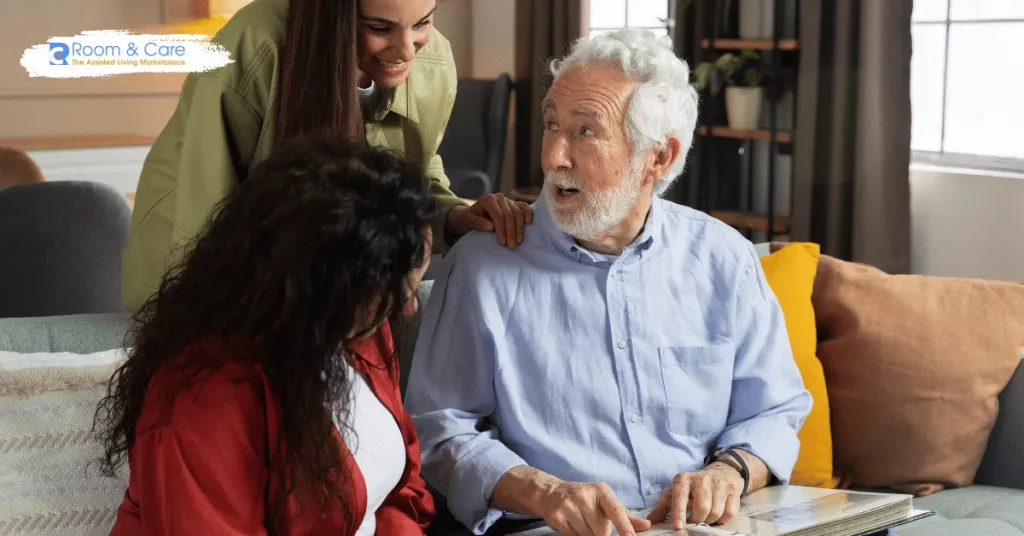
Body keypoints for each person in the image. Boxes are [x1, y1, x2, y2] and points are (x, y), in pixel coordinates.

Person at [405, 29, 813, 536]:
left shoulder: (722, 258)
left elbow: (774, 407)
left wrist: (728, 471)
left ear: (658, 158)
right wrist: (544, 491)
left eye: (585, 132)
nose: (554, 156)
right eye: (551, 125)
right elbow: (439, 429)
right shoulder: (484, 264)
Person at [97, 135, 437, 535]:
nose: (410, 307)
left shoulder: (362, 332)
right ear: (324, 288)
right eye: (399, 292)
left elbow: (402, 490)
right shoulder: (205, 393)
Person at [122, 0, 531, 311]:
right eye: (378, 26)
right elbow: (203, 219)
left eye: (423, 21)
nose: (407, 49)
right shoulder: (253, 48)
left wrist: (452, 216)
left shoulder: (433, 64)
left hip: (326, 281)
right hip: (203, 267)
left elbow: (417, 170)